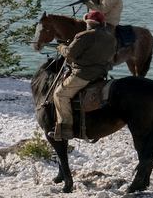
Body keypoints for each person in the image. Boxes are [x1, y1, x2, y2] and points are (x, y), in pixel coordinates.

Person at [50, 9, 118, 141]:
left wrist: (61, 47)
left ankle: (65, 129)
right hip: (101, 74)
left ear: (89, 23)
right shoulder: (111, 38)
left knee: (59, 94)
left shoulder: (84, 36)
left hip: (83, 75)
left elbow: (70, 54)